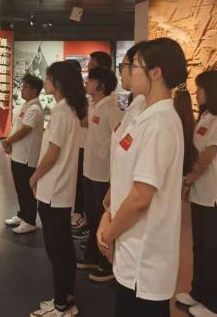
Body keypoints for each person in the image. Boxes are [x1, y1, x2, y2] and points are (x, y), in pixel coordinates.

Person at [97, 38, 197, 316]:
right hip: (129, 248)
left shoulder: (161, 124)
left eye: (134, 66)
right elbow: (125, 178)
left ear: (155, 73)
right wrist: (107, 213)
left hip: (144, 258)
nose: (129, 72)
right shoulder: (143, 114)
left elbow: (141, 197)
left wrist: (108, 233)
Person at [176, 70, 217, 317]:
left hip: (215, 198)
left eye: (200, 88)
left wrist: (188, 181)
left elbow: (206, 158)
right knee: (201, 247)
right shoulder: (204, 117)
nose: (196, 92)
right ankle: (199, 292)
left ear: (212, 91)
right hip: (200, 195)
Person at [29, 61, 87, 317]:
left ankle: (61, 305)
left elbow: (52, 154)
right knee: (62, 249)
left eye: (48, 77)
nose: (45, 81)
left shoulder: (63, 112)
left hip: (53, 191)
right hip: (58, 190)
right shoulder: (68, 110)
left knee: (57, 251)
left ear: (59, 83)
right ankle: (66, 298)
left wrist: (34, 177)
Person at [92, 42, 147, 284]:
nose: (122, 72)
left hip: (127, 213)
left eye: (125, 66)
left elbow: (141, 193)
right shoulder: (133, 108)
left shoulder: (148, 116)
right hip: (117, 197)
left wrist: (110, 226)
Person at [76, 67, 123, 282]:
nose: (87, 82)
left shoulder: (111, 111)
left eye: (91, 80)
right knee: (92, 218)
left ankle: (107, 263)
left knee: (103, 220)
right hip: (90, 171)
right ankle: (93, 256)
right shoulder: (95, 106)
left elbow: (120, 143)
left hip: (104, 175)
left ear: (101, 86)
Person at [2, 74, 44, 234]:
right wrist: (8, 142)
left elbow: (25, 130)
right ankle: (23, 215)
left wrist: (7, 142)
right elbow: (14, 126)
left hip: (27, 157)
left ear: (34, 90)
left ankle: (30, 221)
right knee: (20, 188)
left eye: (25, 87)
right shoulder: (25, 105)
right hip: (17, 155)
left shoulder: (34, 109)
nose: (22, 90)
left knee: (26, 190)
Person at [65, 59, 87, 233]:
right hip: (74, 143)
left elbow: (86, 120)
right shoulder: (67, 98)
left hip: (84, 144)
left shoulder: (82, 96)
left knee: (80, 179)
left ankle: (78, 212)